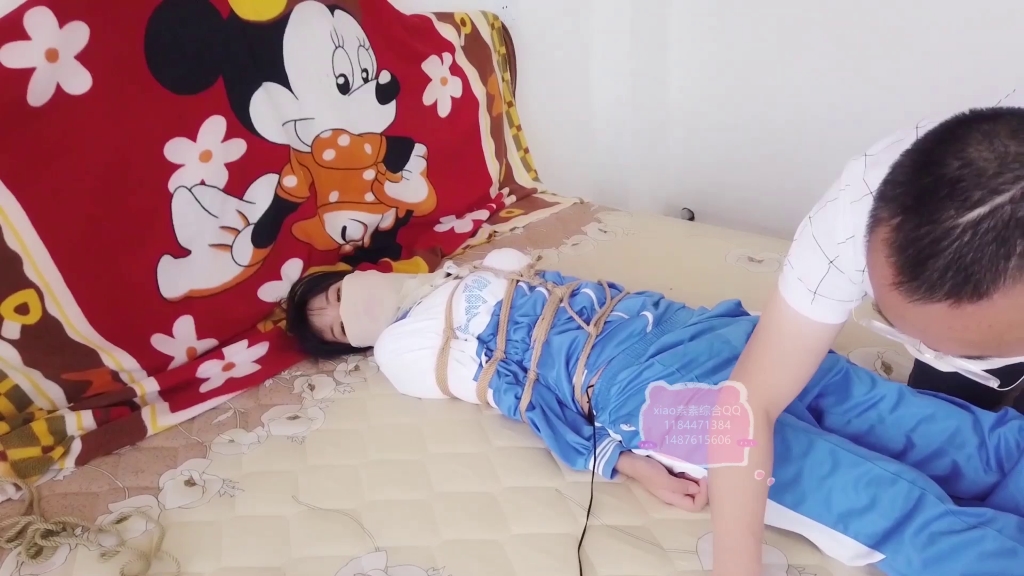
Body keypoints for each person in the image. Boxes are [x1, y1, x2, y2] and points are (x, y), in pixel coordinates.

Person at [285, 248, 1024, 576]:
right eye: (336, 327)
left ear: (357, 271)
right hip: (641, 397)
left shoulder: (466, 268)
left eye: (336, 294)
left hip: (696, 330)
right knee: (858, 495)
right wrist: (627, 463)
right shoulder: (403, 353)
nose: (345, 312)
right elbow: (522, 397)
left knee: (916, 421)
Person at [710, 93, 1024, 575]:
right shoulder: (849, 216)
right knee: (958, 430)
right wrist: (735, 565)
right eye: (896, 323)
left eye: (973, 352)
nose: (930, 353)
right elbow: (748, 401)